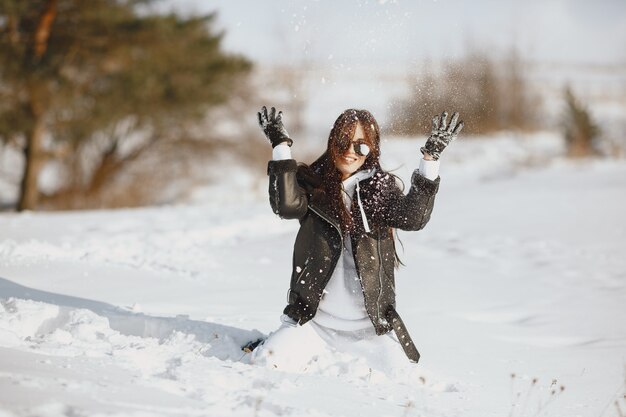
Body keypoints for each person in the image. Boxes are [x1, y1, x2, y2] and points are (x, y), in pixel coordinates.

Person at [251, 106, 463, 372]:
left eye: (362, 146)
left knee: (402, 382)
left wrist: (431, 158)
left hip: (369, 332)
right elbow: (286, 205)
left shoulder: (380, 190)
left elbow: (414, 218)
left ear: (371, 150)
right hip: (312, 325)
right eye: (344, 142)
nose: (352, 152)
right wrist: (281, 145)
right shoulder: (313, 187)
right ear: (332, 143)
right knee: (265, 363)